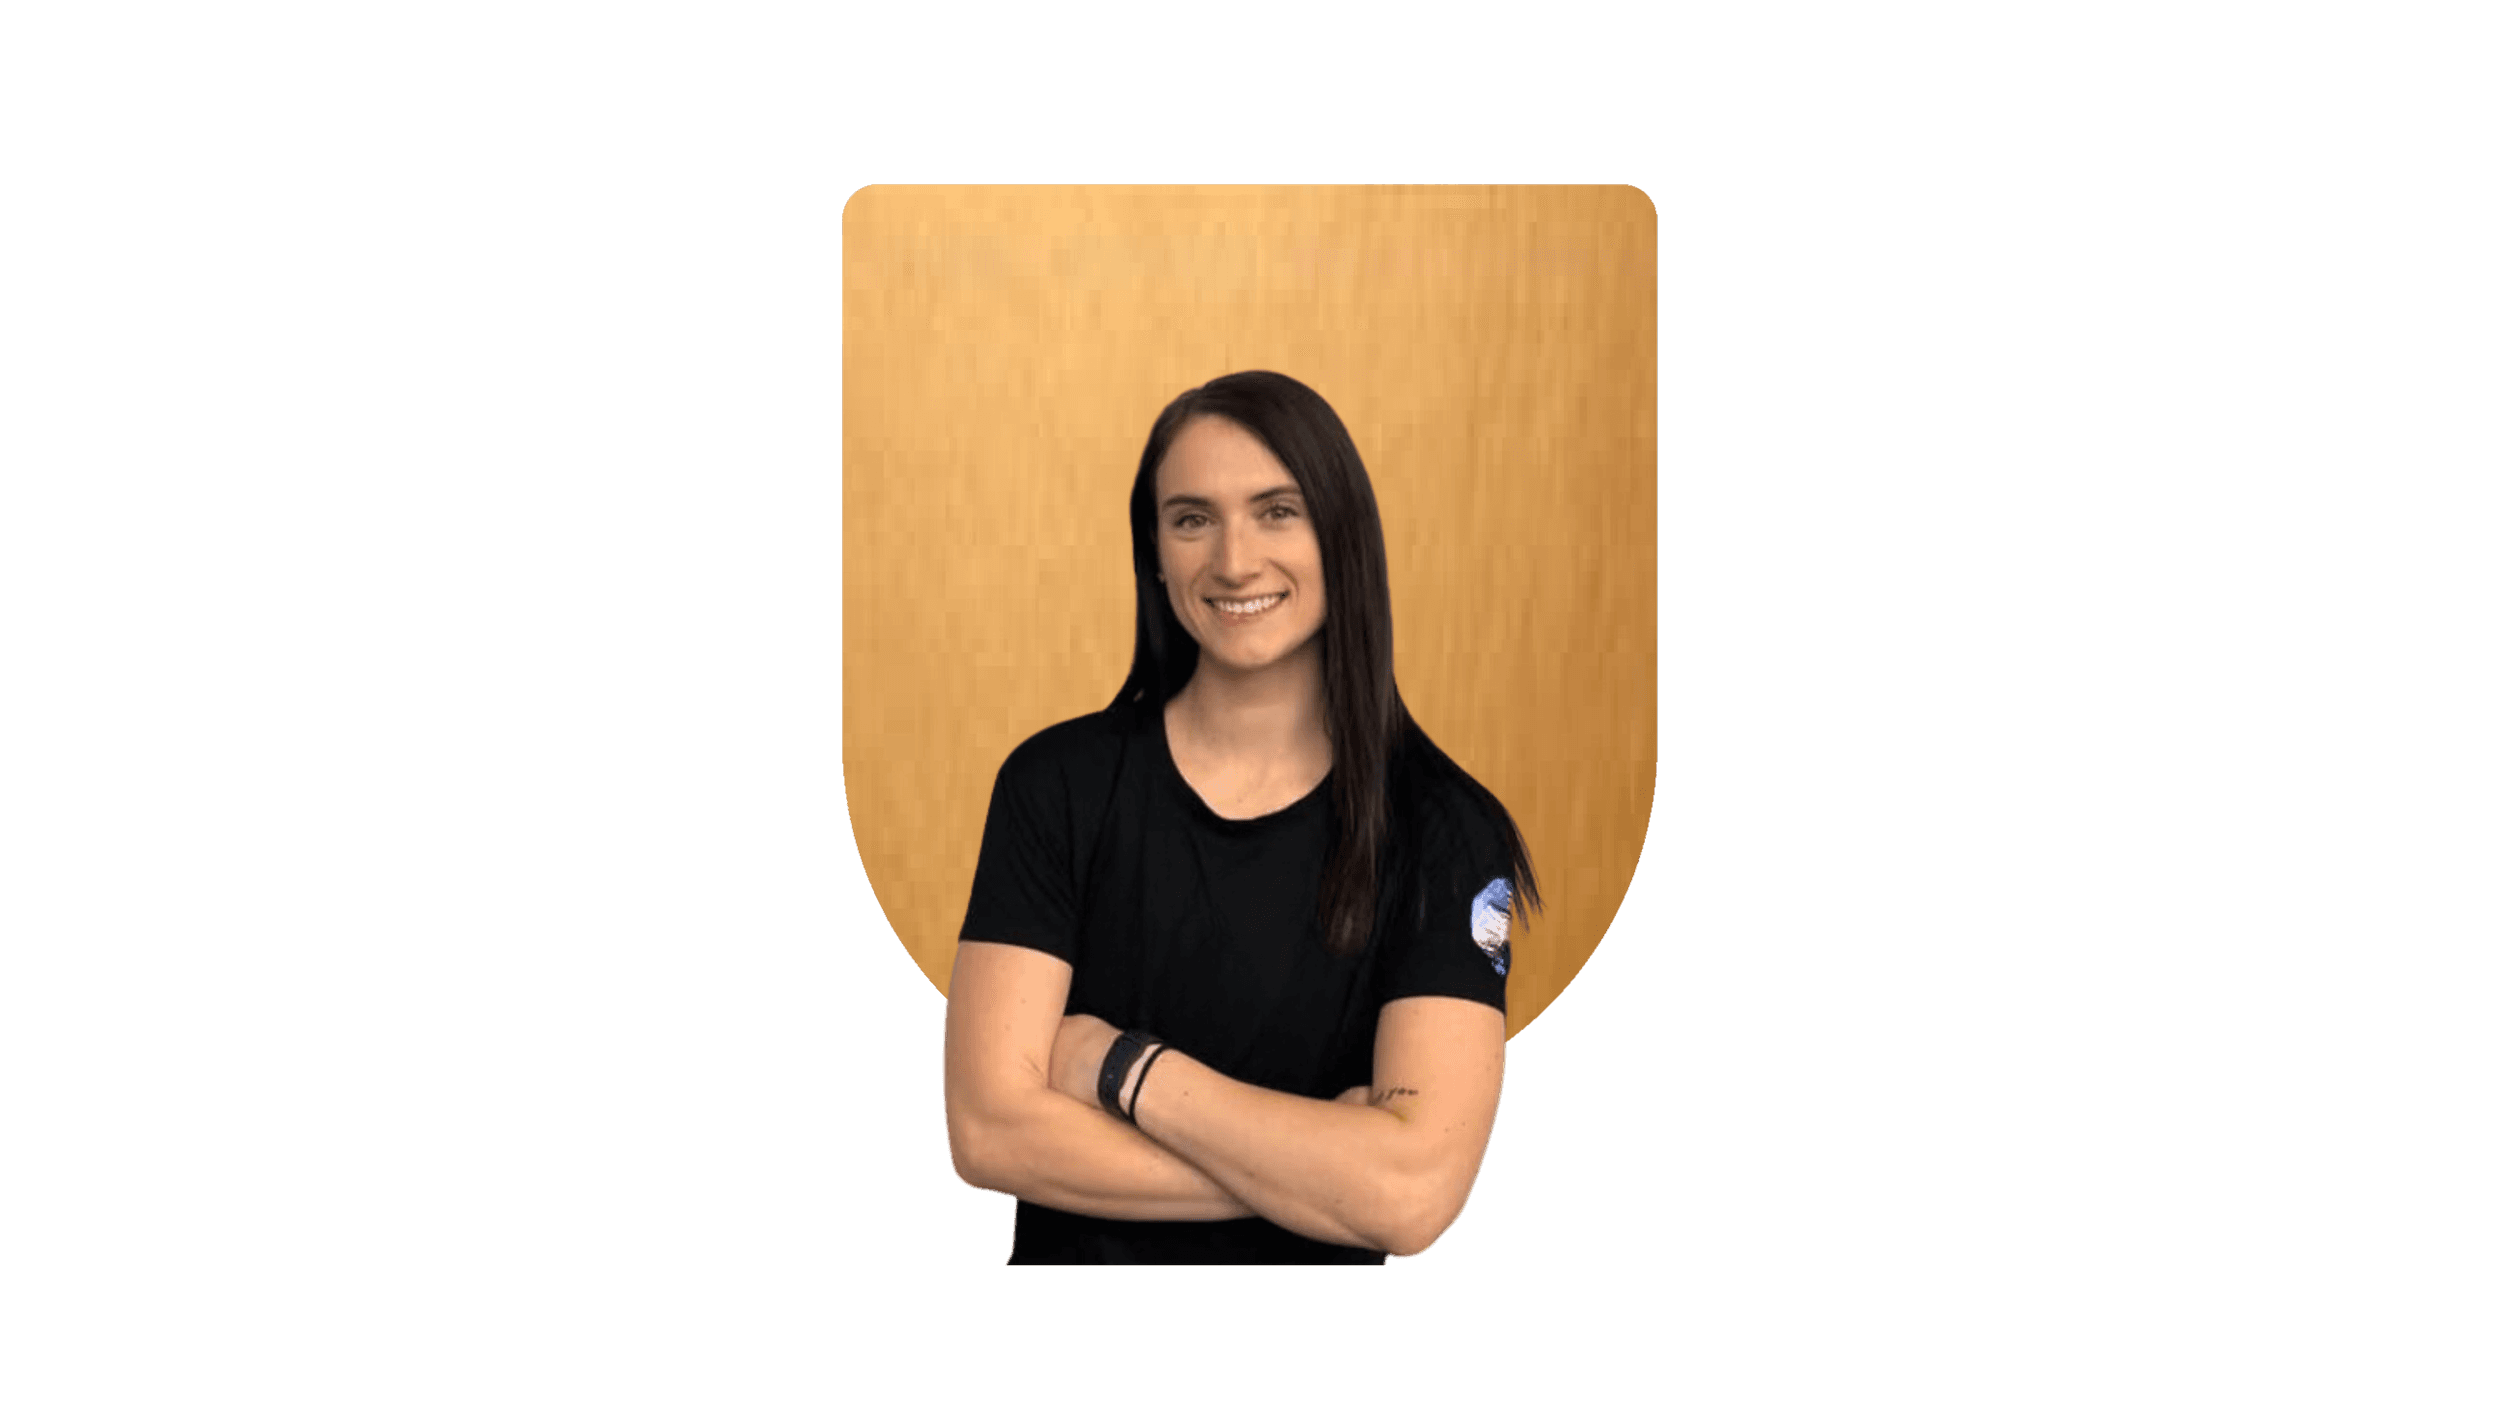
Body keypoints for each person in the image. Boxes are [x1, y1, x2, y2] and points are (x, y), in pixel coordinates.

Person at [941, 370, 1541, 1264]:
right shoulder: (1052, 787)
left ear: (1343, 537)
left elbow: (1412, 1198)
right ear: (1154, 552)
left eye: (1276, 511)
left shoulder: (1452, 836)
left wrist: (1119, 1070)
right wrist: (1328, 1175)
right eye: (1192, 519)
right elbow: (988, 1135)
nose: (1233, 561)